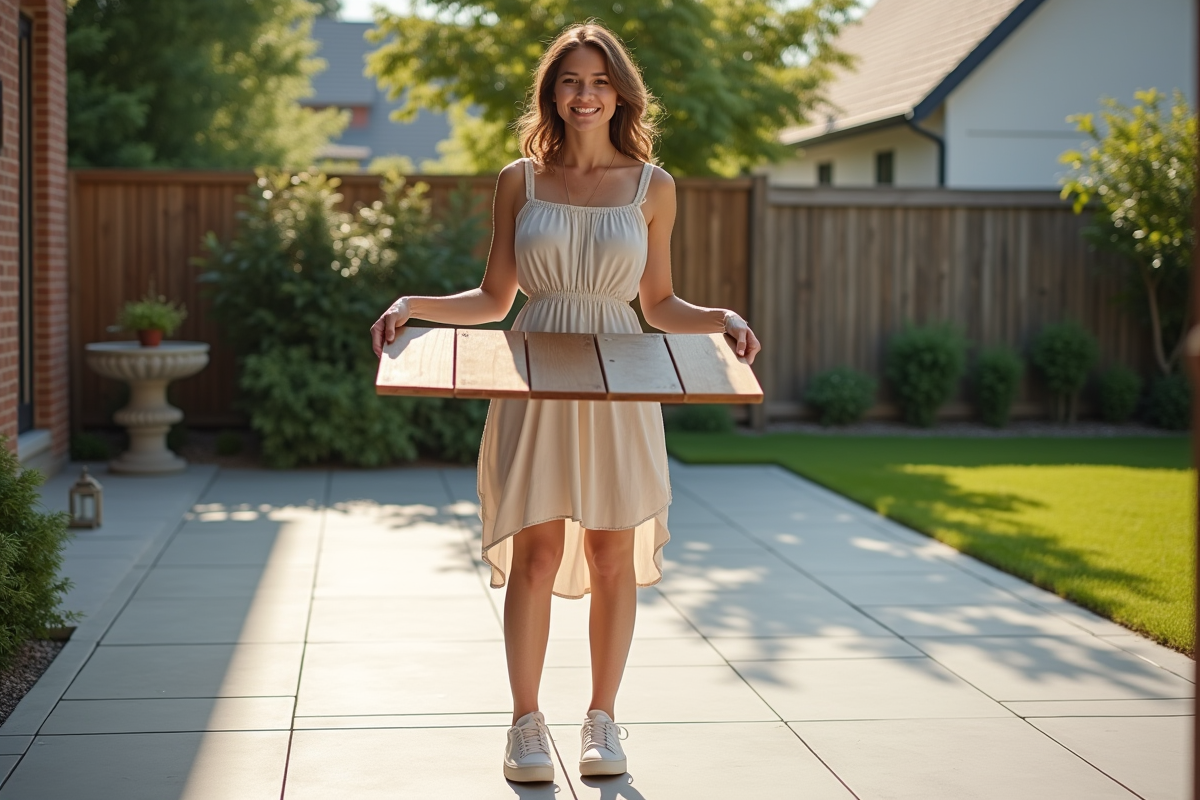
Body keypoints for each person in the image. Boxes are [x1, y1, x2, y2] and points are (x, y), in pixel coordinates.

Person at [370, 21, 761, 784]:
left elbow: (659, 303)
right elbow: (494, 299)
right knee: (537, 552)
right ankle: (524, 725)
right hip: (536, 373)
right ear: (552, 93)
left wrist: (722, 318)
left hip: (621, 378)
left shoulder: (654, 186)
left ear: (620, 93)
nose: (586, 95)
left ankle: (602, 721)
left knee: (612, 554)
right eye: (571, 81)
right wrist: (411, 305)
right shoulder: (520, 181)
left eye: (600, 81)